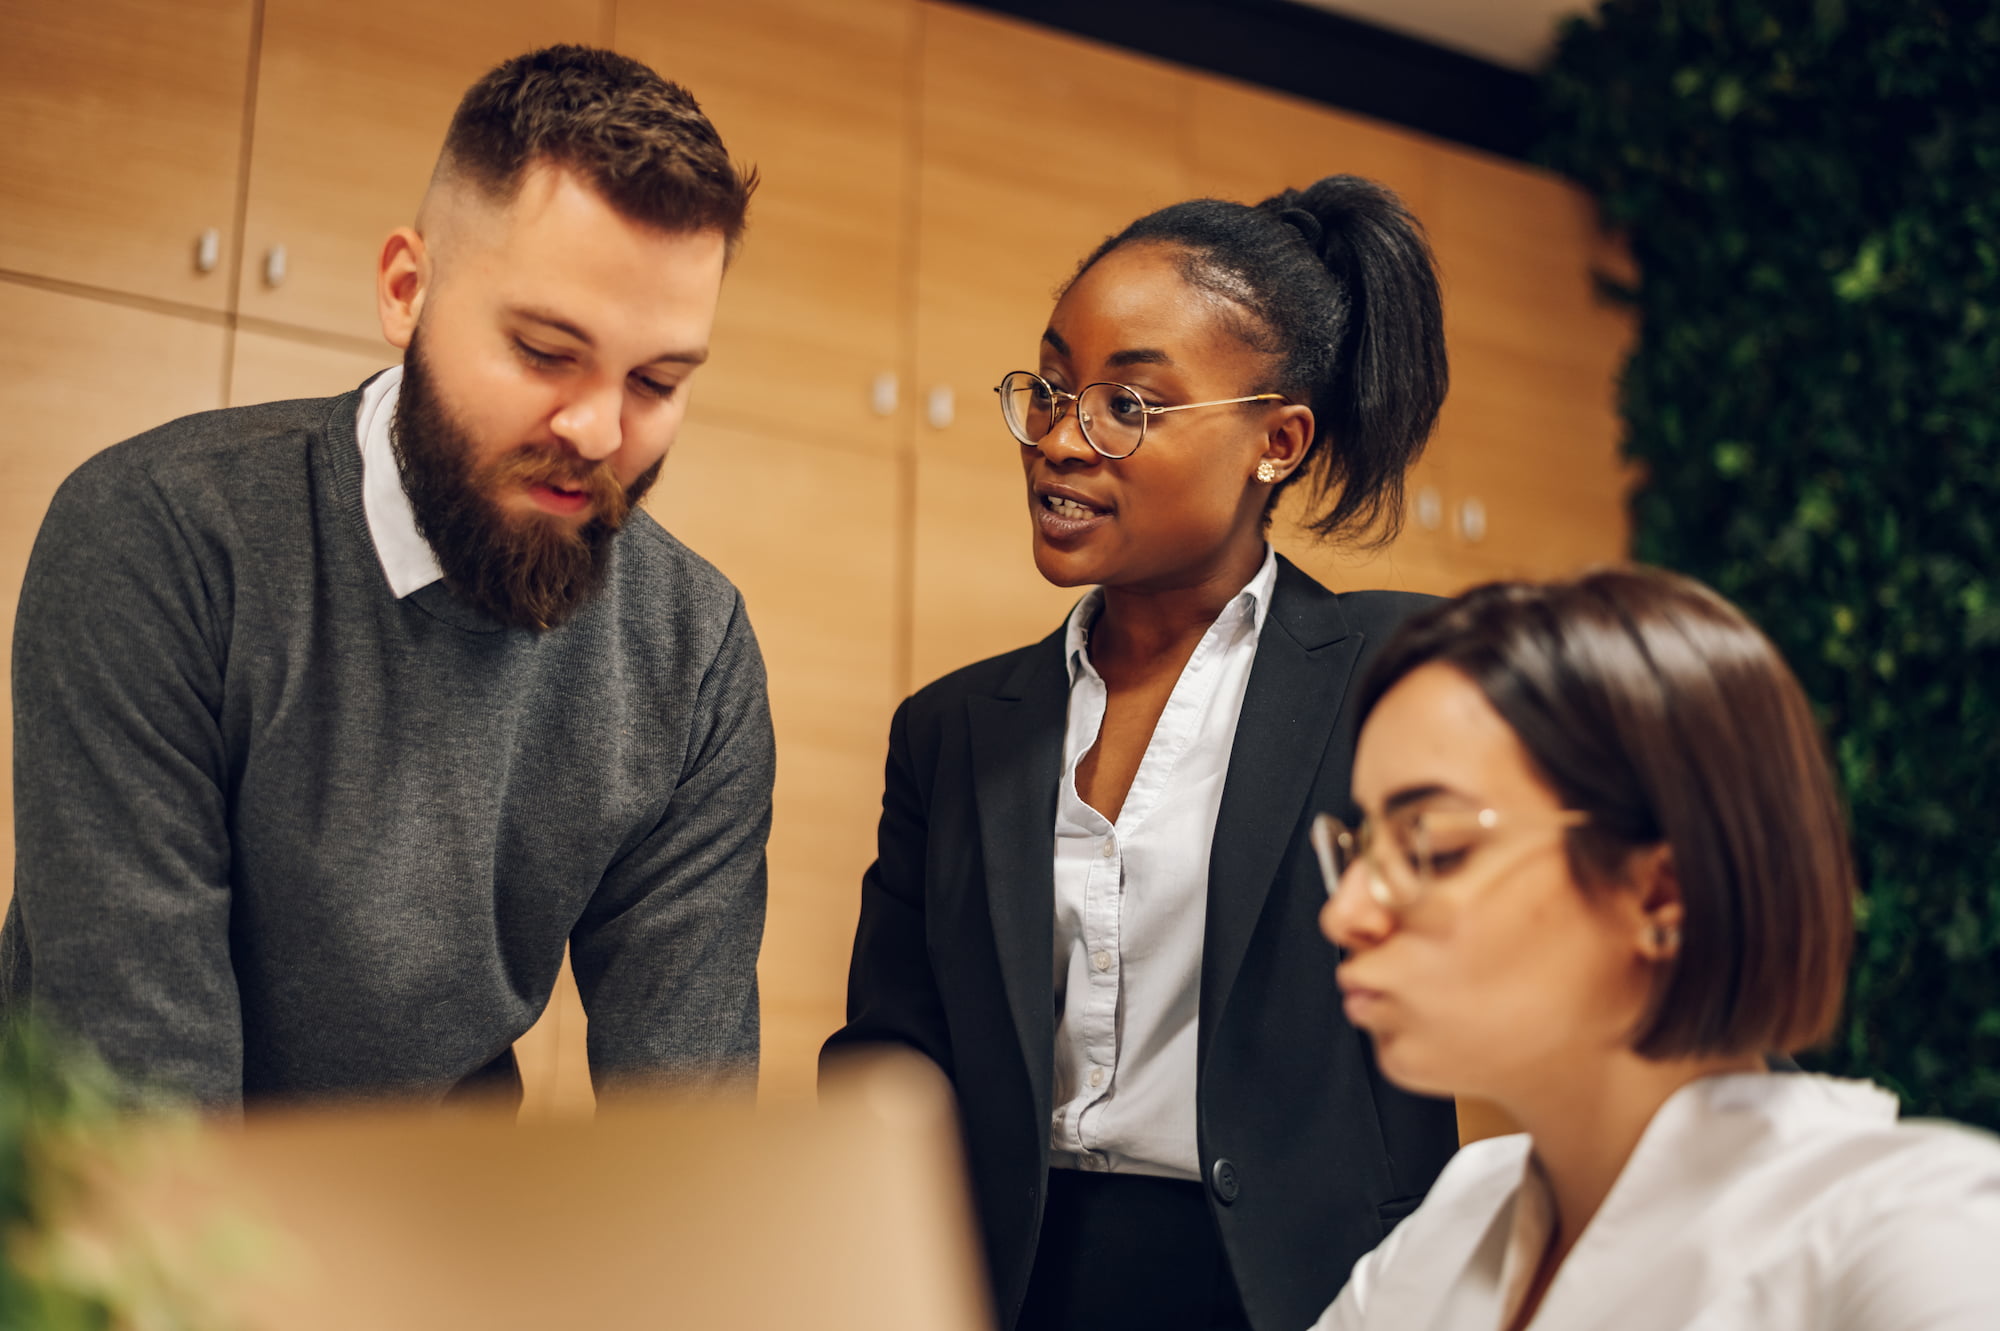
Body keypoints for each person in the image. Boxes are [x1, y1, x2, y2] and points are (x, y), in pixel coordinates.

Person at [2, 46, 773, 1110]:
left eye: (655, 381)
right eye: (548, 351)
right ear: (407, 292)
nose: (598, 430)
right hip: (125, 1235)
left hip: (428, 1220)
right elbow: (142, 1106)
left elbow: (691, 1121)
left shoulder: (693, 652)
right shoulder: (160, 536)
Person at [825, 177, 1461, 1331]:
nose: (1061, 439)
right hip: (1014, 1287)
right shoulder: (953, 728)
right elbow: (892, 1057)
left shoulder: (1398, 674)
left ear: (1277, 440)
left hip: (1309, 1295)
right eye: (1054, 387)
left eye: (1128, 402)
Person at [1312, 568, 2000, 1330]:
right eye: (1359, 845)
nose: (1345, 914)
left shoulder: (1914, 1231)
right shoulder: (1457, 1215)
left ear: (1660, 894)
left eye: (1430, 846)